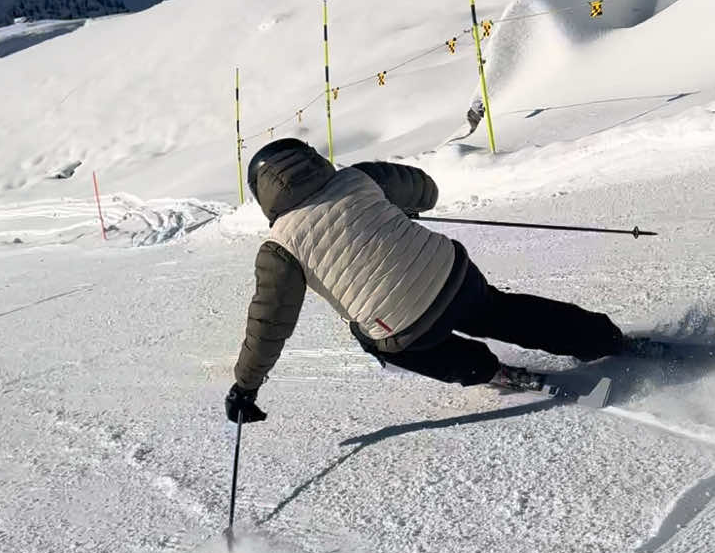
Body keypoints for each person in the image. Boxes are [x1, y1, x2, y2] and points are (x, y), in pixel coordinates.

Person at [225, 138, 624, 423]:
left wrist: (246, 387)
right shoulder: (360, 177)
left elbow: (268, 326)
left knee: (371, 337)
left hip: (405, 328)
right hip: (454, 275)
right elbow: (426, 190)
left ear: (263, 194)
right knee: (497, 310)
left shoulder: (279, 248)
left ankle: (485, 370)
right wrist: (399, 206)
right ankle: (602, 338)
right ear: (310, 160)